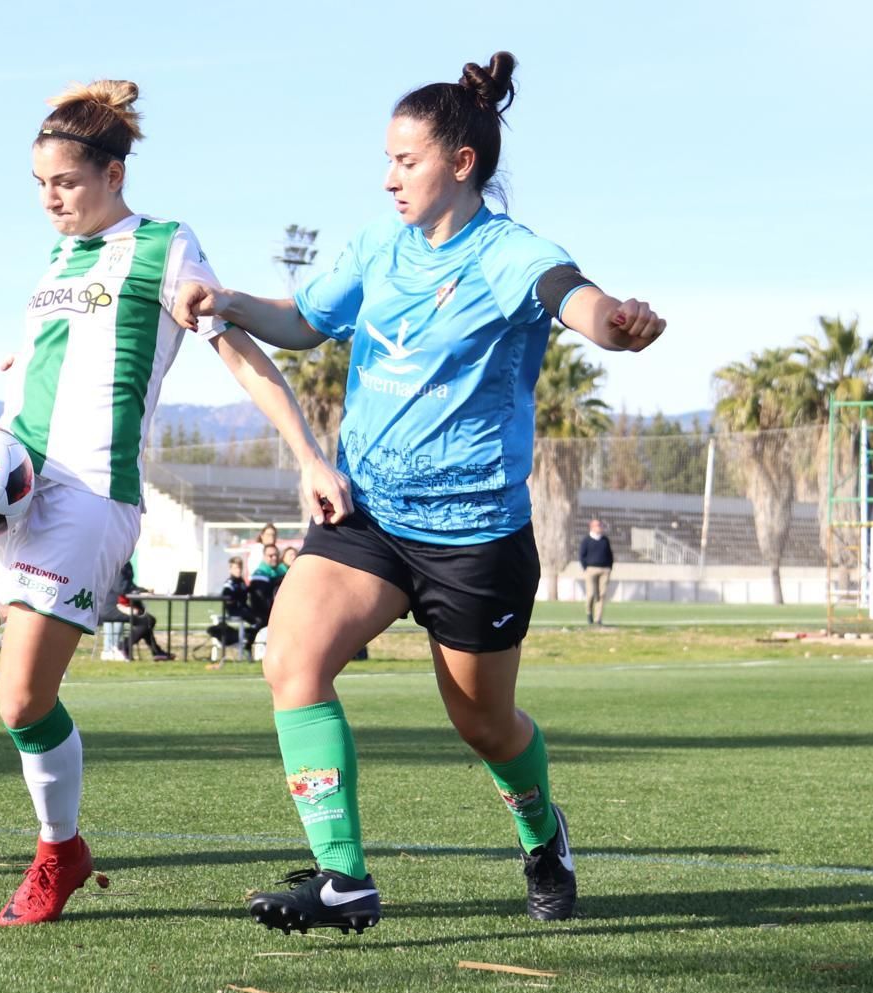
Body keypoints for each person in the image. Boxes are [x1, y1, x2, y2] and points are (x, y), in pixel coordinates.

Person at [174, 51, 665, 931]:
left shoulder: (512, 254)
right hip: (370, 518)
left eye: (406, 160)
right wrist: (231, 301)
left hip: (475, 536)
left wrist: (618, 327)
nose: (389, 176)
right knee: (290, 655)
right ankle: (343, 878)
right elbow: (301, 322)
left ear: (461, 164)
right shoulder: (377, 246)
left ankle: (542, 832)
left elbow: (572, 298)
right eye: (389, 160)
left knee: (485, 727)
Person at [0, 79, 348, 926]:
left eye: (65, 183)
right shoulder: (57, 261)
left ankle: (60, 852)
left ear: (114, 174)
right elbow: (62, 352)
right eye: (39, 184)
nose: (50, 199)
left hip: (86, 496)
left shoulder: (166, 246)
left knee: (21, 701)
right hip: (6, 485)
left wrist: (306, 457)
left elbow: (241, 355)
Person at [579, 518, 614, 626]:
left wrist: (609, 567)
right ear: (592, 527)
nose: (600, 527)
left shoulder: (605, 540)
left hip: (604, 570)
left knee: (601, 595)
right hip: (591, 570)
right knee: (591, 594)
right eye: (597, 525)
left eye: (600, 525)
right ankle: (589, 613)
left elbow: (610, 555)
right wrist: (586, 568)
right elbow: (581, 555)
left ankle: (598, 619)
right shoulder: (586, 540)